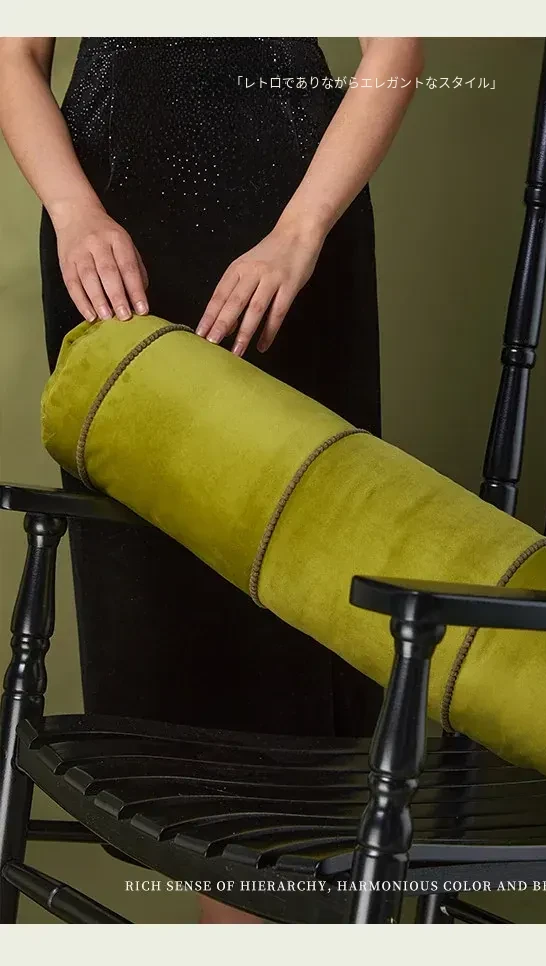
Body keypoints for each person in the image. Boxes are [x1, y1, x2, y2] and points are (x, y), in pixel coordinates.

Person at [0, 36, 423, 923]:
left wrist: (300, 234)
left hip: (292, 225)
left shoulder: (298, 233)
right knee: (159, 619)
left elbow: (397, 42)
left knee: (288, 613)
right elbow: (13, 52)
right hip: (107, 238)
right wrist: (72, 210)